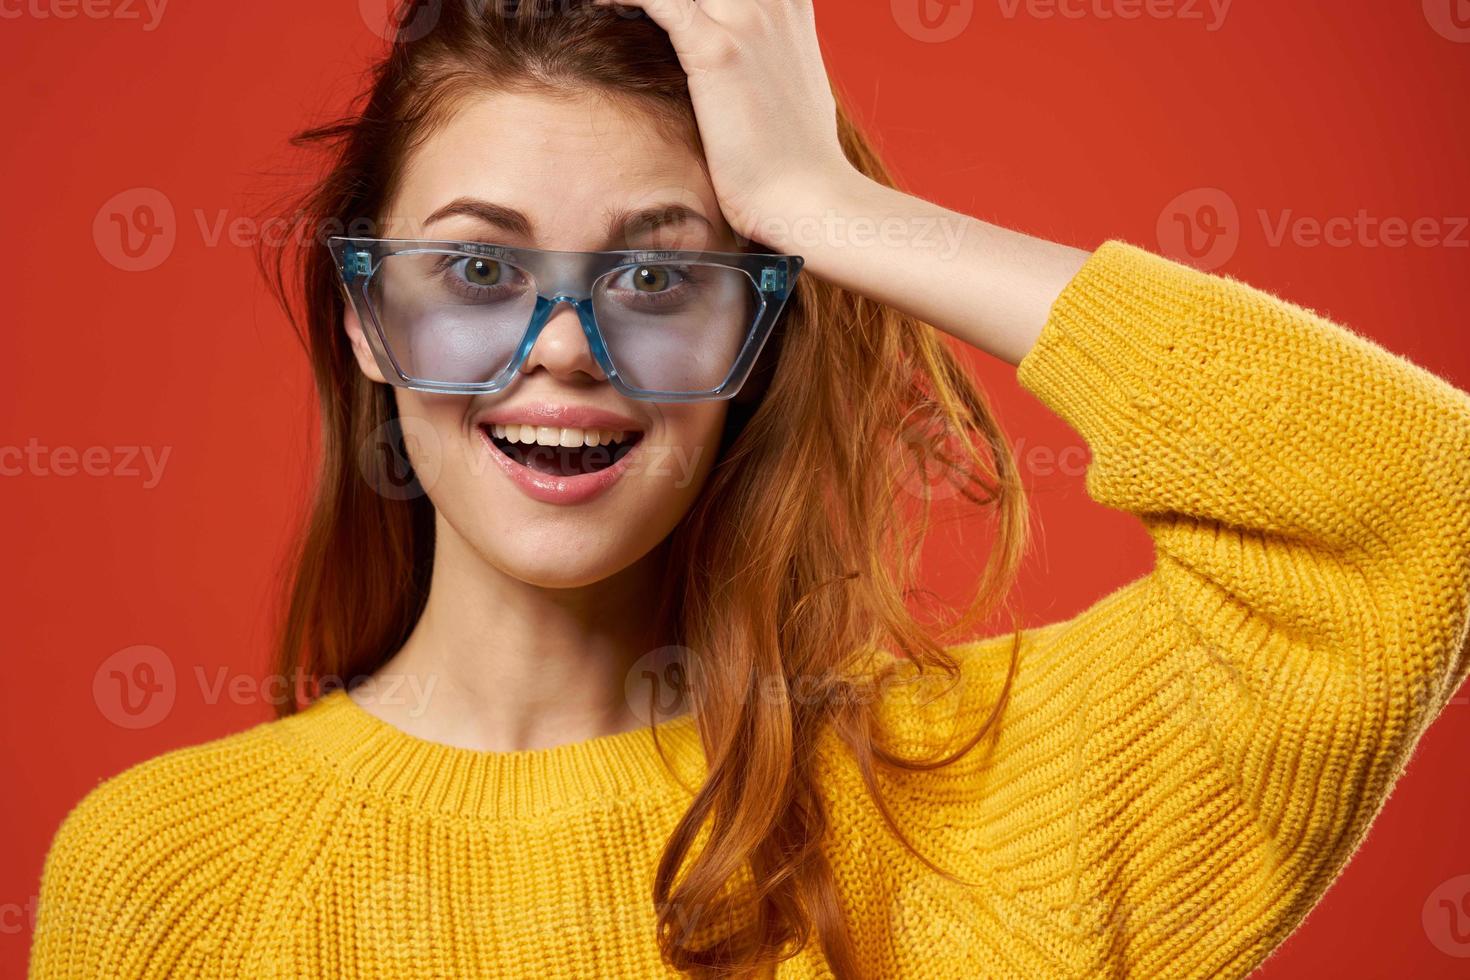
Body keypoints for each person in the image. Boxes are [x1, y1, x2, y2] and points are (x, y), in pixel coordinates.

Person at [28, 1, 1470, 977]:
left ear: (762, 315)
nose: (564, 356)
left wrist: (824, 205)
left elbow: (1418, 500)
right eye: (477, 268)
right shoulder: (172, 876)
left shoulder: (964, 814)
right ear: (363, 312)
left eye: (659, 274)